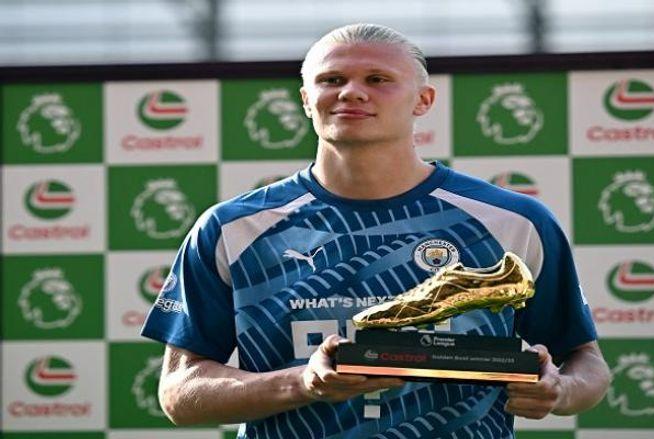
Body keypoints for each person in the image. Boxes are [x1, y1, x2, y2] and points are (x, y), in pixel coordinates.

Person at [141, 23, 611, 438]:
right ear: (305, 99)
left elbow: (587, 364)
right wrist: (302, 383)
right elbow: (179, 392)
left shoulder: (513, 221)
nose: (351, 92)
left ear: (423, 100)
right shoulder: (232, 227)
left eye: (378, 79)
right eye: (331, 80)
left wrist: (560, 390)